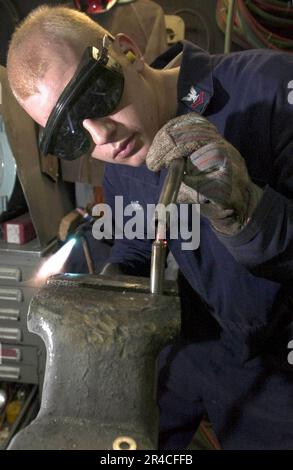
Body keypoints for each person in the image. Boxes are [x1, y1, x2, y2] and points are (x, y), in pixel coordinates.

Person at [6, 5, 293, 450]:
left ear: (128, 52)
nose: (100, 137)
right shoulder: (124, 160)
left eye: (94, 98)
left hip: (280, 362)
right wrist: (111, 288)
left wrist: (250, 212)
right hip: (205, 342)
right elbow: (137, 248)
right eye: (73, 134)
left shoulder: (271, 90)